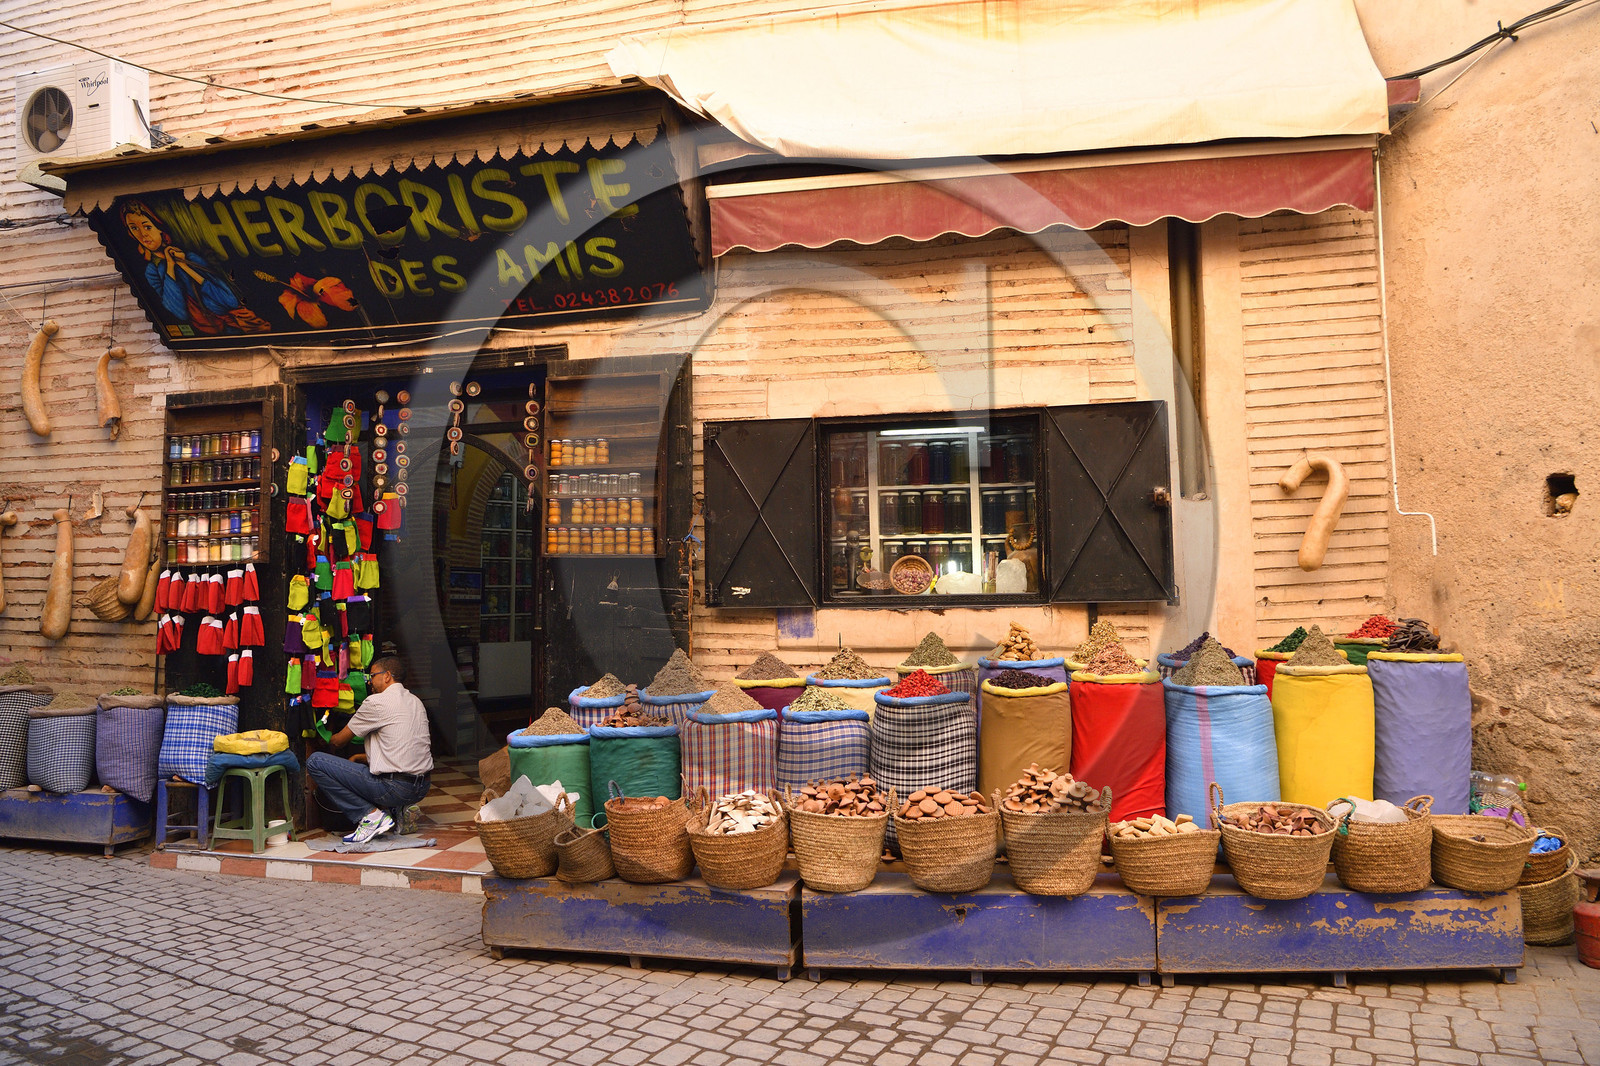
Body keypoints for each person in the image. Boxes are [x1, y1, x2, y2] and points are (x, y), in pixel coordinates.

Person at [306, 656, 434, 843]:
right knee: (371, 769)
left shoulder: (376, 702)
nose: (369, 682)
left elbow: (339, 742)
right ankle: (400, 811)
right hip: (422, 787)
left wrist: (322, 735)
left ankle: (371, 816)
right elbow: (400, 749)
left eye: (372, 676)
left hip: (395, 788)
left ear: (387, 676)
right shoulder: (416, 701)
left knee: (316, 762)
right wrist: (360, 756)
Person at [120, 199, 273, 336]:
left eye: (147, 227)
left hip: (233, 328)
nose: (142, 235)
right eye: (134, 228)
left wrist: (184, 266)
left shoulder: (191, 257)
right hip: (209, 332)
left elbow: (228, 300)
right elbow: (178, 312)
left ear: (160, 228)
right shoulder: (153, 271)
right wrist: (171, 267)